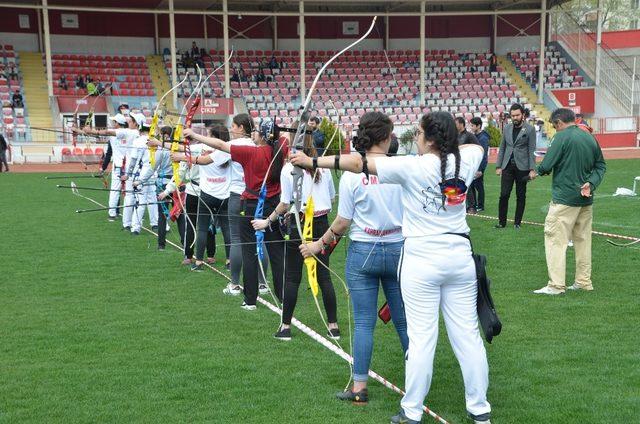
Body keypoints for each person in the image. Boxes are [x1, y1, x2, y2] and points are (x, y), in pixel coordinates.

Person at [290, 111, 491, 424]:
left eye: (420, 135)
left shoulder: (411, 166)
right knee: (467, 336)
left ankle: (412, 411)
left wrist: (312, 162)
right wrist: (446, 148)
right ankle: (479, 409)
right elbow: (471, 149)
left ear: (430, 139)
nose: (415, 140)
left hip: (422, 259)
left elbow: (358, 164)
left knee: (423, 338)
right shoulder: (467, 157)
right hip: (458, 257)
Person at [291, 111, 407, 404]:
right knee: (404, 322)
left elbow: (343, 222)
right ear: (385, 137)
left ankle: (359, 388)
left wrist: (319, 244)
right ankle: (417, 384)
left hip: (364, 251)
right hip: (396, 250)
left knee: (364, 322)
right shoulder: (403, 167)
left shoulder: (353, 175)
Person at [183, 118, 287, 311]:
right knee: (275, 251)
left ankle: (250, 300)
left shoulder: (250, 152)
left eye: (257, 131)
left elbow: (221, 145)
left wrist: (194, 135)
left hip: (251, 204)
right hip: (274, 205)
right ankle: (282, 298)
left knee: (248, 250)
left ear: (264, 135)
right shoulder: (280, 150)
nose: (253, 133)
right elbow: (285, 138)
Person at [253, 123, 339, 341]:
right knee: (324, 276)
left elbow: (284, 203)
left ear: (295, 140)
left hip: (301, 224)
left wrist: (267, 221)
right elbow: (331, 199)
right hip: (320, 225)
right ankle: (333, 326)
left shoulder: (289, 168)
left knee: (292, 278)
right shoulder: (322, 167)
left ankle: (285, 327)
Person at [532, 108, 606, 295]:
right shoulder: (589, 137)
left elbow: (547, 163)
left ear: (558, 122)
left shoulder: (561, 137)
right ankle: (583, 281)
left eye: (554, 125)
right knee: (583, 241)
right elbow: (601, 166)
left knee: (555, 240)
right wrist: (591, 183)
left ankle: (556, 285)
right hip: (585, 199)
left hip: (564, 199)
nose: (555, 129)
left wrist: (537, 171)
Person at [220, 113, 270, 296]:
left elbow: (209, 157)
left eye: (233, 126)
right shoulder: (259, 146)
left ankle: (234, 285)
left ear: (241, 127)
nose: (231, 130)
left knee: (236, 239)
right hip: (258, 197)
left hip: (238, 196)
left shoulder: (235, 145)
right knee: (259, 238)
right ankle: (263, 283)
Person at [171, 125, 232, 272]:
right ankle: (230, 261)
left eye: (210, 135)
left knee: (202, 228)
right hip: (225, 195)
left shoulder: (204, 148)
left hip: (207, 195)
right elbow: (181, 149)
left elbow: (182, 151)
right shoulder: (230, 149)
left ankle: (198, 262)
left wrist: (160, 145)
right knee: (226, 228)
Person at [495, 103, 537, 229]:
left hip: (522, 167)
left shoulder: (530, 129)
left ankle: (517, 223)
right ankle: (501, 222)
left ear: (523, 115)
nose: (515, 117)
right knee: (504, 194)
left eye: (517, 115)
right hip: (507, 166)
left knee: (520, 195)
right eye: (513, 115)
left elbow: (531, 150)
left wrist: (532, 169)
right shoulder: (507, 128)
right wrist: (498, 166)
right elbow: (502, 148)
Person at [468, 117, 490, 213]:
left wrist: (480, 169)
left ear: (478, 126)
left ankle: (480, 205)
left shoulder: (483, 138)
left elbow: (483, 155)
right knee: (472, 185)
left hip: (479, 166)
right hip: (473, 165)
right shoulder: (475, 136)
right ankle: (474, 204)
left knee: (479, 186)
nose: (471, 127)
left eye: (472, 125)